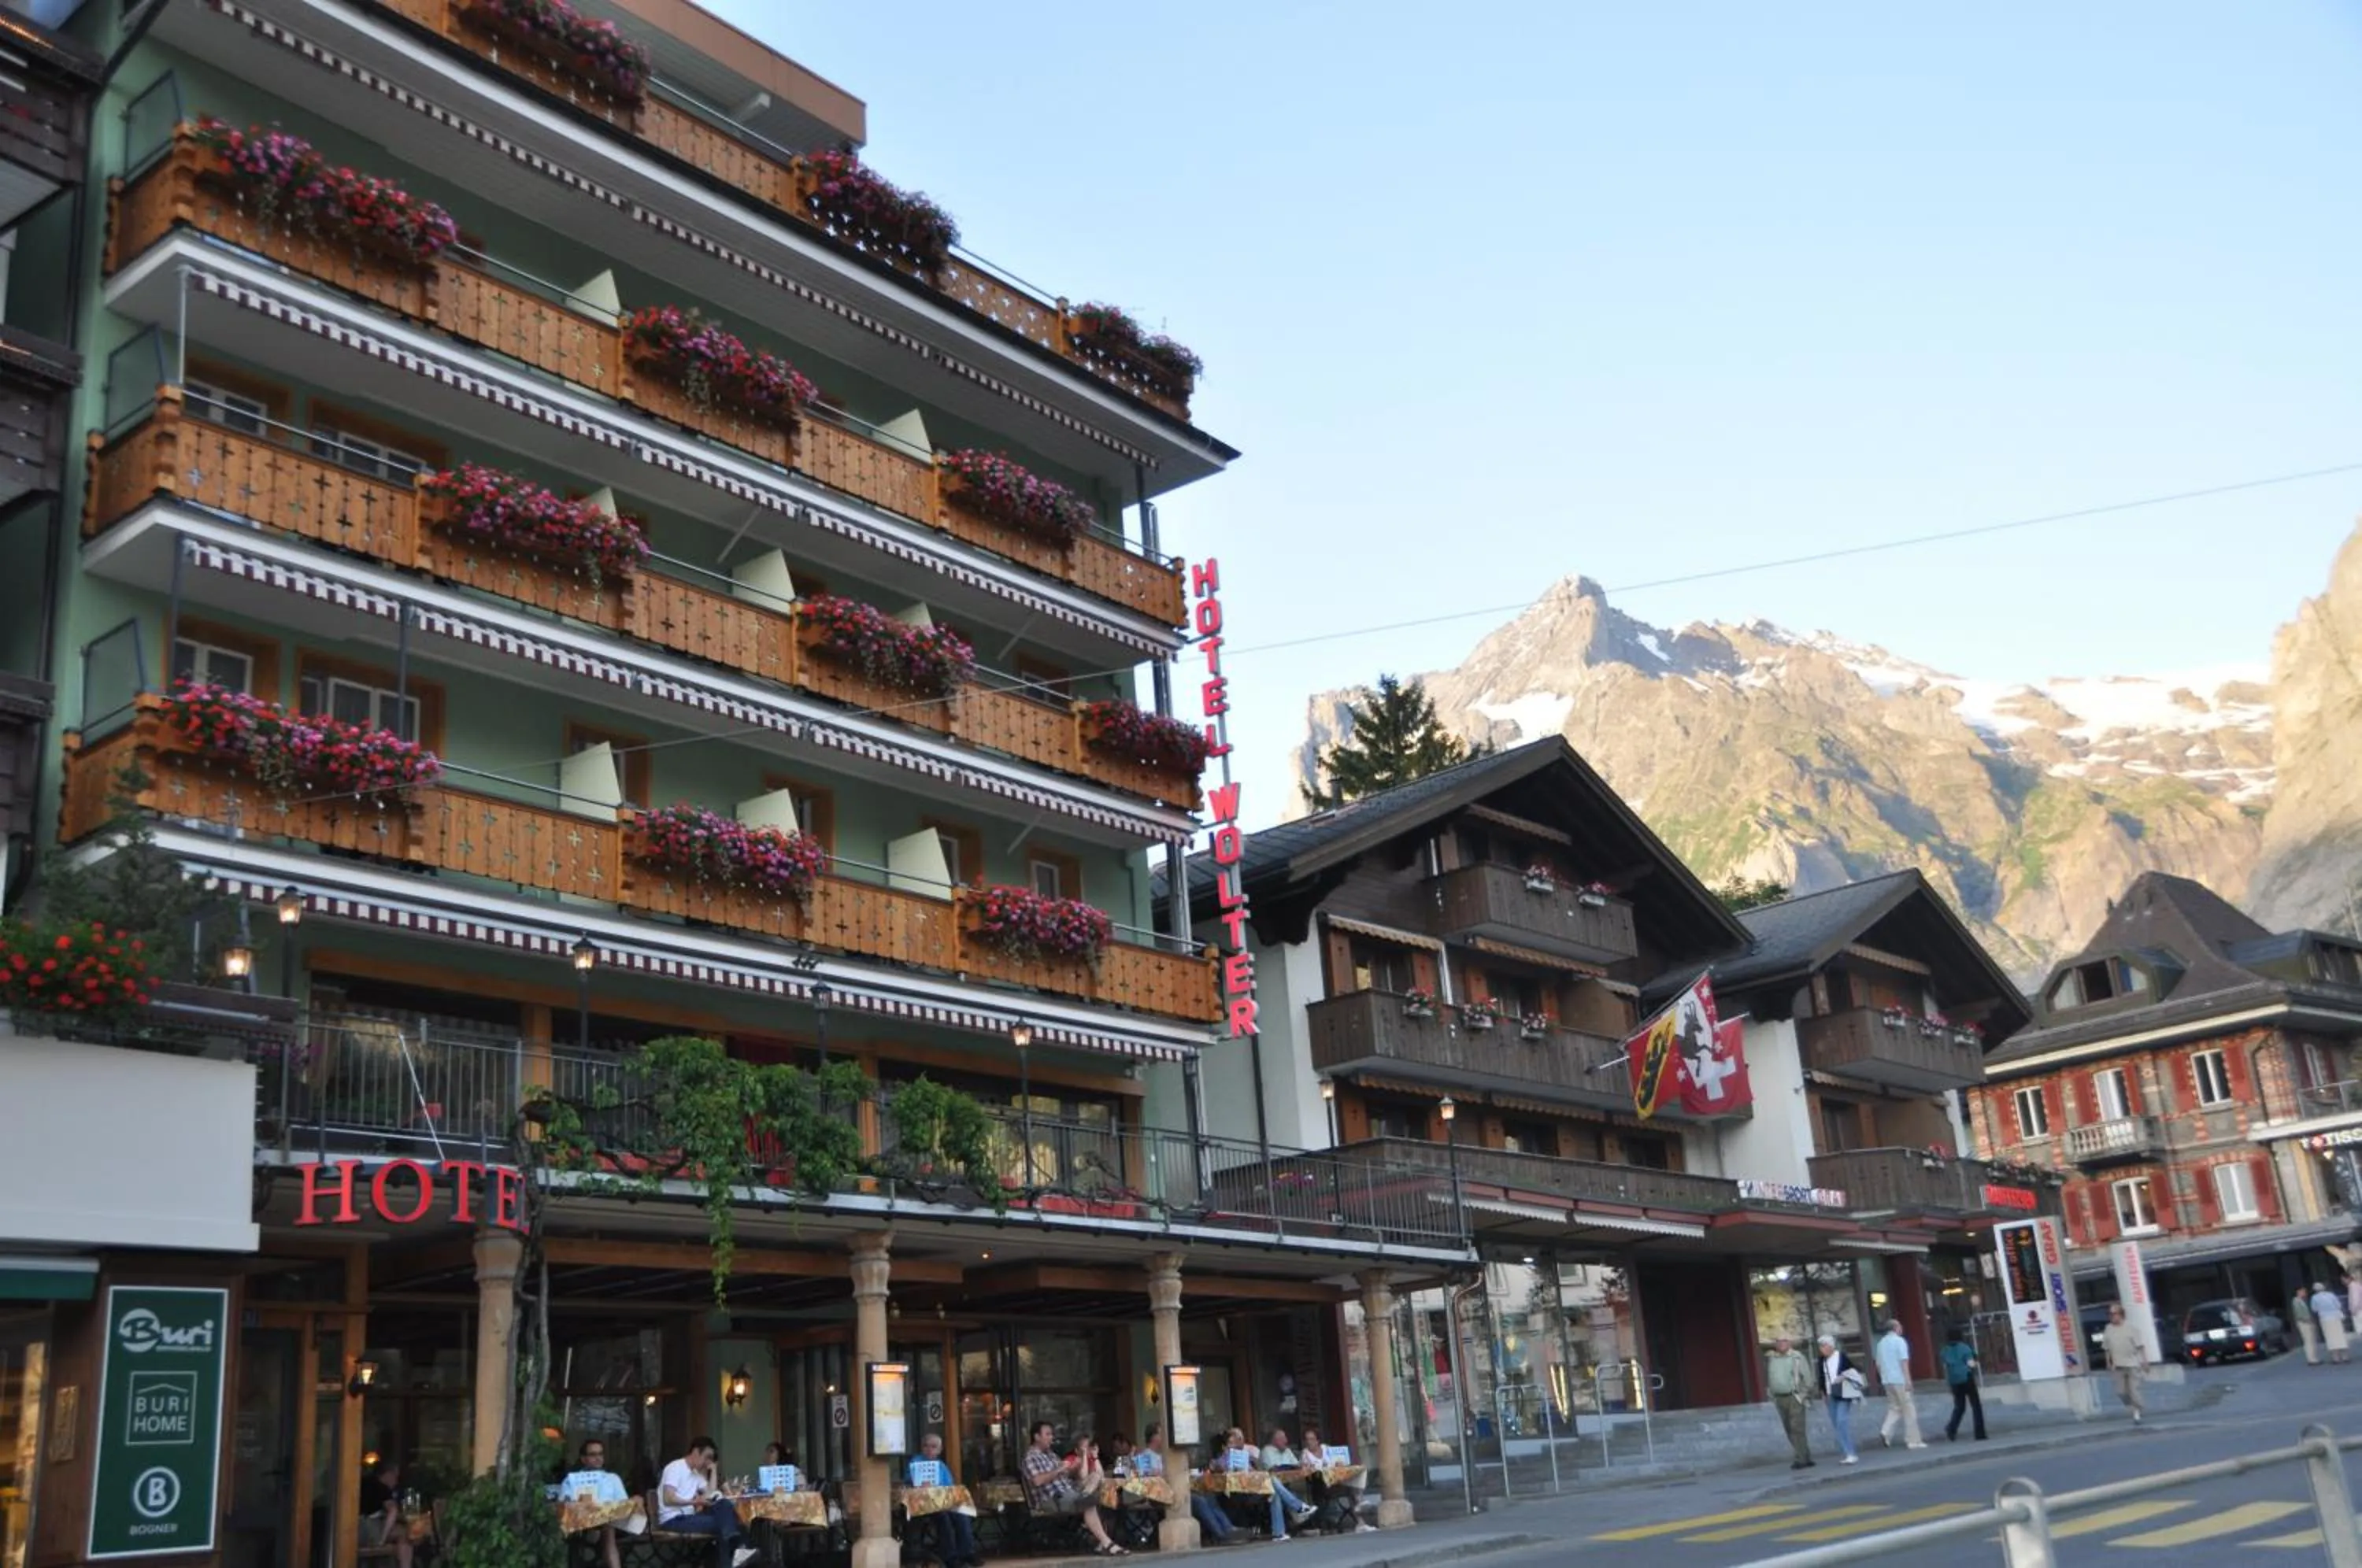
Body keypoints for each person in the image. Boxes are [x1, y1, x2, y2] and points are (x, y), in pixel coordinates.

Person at [1019, 1419, 1123, 1555]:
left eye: (1052, 1434)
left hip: (1069, 1491)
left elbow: (1066, 1474)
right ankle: (1105, 1543)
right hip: (1052, 1498)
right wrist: (1058, 1470)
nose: (1052, 1438)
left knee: (1099, 1486)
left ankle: (1101, 1540)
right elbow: (1037, 1481)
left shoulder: (1051, 1455)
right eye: (1048, 1434)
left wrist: (1075, 1466)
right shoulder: (1030, 1457)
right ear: (1037, 1437)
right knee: (1090, 1502)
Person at [659, 1436, 754, 1567]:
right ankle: (736, 1549)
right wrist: (694, 1503)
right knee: (725, 1523)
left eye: (711, 1459)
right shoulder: (675, 1468)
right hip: (673, 1520)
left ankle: (734, 1544)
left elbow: (712, 1495)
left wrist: (713, 1470)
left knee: (726, 1509)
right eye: (707, 1457)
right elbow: (668, 1499)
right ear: (696, 1452)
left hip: (689, 1518)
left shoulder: (695, 1474)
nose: (708, 1462)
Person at [1140, 1422, 1241, 1546]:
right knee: (1199, 1501)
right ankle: (1220, 1534)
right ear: (1153, 1437)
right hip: (1161, 1495)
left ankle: (1229, 1528)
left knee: (1209, 1496)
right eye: (1162, 1434)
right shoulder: (1145, 1456)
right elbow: (1145, 1478)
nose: (1165, 1438)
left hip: (1178, 1489)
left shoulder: (1165, 1456)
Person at [1221, 1426, 1315, 1539]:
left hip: (1257, 1489)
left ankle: (1279, 1533)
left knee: (1274, 1491)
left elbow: (1254, 1473)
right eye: (1232, 1443)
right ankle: (1299, 1507)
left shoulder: (1246, 1457)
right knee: (1273, 1483)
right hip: (1243, 1493)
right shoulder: (1222, 1460)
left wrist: (1251, 1465)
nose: (1236, 1445)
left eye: (1238, 1441)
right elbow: (1224, 1471)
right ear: (1225, 1446)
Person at [907, 1433, 979, 1568]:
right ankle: (950, 1557)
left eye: (934, 1447)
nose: (929, 1449)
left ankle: (967, 1554)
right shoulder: (915, 1463)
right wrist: (918, 1484)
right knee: (944, 1518)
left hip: (943, 1504)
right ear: (922, 1448)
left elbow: (949, 1486)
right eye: (926, 1446)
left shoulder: (941, 1466)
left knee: (962, 1515)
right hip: (924, 1507)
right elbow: (909, 1483)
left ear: (939, 1450)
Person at [564, 1439, 631, 1568]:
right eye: (593, 1455)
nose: (598, 1458)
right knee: (607, 1528)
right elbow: (566, 1504)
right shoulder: (573, 1479)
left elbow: (624, 1504)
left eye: (600, 1454)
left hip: (615, 1524)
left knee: (609, 1525)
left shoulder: (612, 1478)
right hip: (580, 1524)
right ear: (583, 1459)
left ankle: (597, 1533)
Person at [1297, 1423, 1373, 1533]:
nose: (1310, 1442)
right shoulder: (1305, 1454)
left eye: (1312, 1439)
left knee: (1353, 1487)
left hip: (1337, 1481)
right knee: (1350, 1491)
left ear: (1318, 1440)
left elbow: (1338, 1460)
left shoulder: (1326, 1448)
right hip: (1320, 1485)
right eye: (1307, 1439)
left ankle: (1361, 1521)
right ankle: (1359, 1516)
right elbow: (1306, 1469)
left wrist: (1339, 1463)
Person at [1873, 1319, 1926, 1450]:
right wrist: (1908, 1380)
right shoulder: (1900, 1341)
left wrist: (1883, 1378)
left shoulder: (1881, 1343)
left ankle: (1886, 1431)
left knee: (1894, 1408)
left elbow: (1878, 1364)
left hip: (1887, 1380)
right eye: (1900, 1326)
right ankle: (1913, 1440)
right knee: (1909, 1410)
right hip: (1900, 1379)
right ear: (1896, 1328)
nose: (1901, 1328)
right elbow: (1904, 1362)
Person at [1765, 1335, 1816, 1470]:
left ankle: (1800, 1459)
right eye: (1778, 1341)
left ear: (1789, 1343)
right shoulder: (1772, 1359)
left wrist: (1804, 1394)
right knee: (1789, 1428)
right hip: (1779, 1398)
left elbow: (1808, 1378)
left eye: (1784, 1341)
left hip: (1795, 1397)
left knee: (1796, 1428)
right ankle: (1806, 1456)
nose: (1781, 1344)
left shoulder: (1797, 1357)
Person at [1818, 1334, 1865, 1463]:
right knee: (1836, 1424)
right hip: (1830, 1394)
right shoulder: (1822, 1360)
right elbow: (1821, 1377)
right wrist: (1823, 1394)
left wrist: (1843, 1376)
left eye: (1824, 1346)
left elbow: (1854, 1370)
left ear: (1831, 1346)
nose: (1822, 1349)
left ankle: (1851, 1453)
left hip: (1844, 1394)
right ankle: (1847, 1452)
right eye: (1821, 1346)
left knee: (1841, 1421)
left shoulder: (1841, 1356)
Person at [357, 1461, 413, 1568]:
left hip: (354, 1530)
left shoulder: (363, 1483)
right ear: (388, 1474)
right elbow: (393, 1511)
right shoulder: (382, 1488)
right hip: (369, 1528)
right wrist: (382, 1539)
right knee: (405, 1536)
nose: (396, 1482)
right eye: (396, 1477)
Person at [2099, 1304, 2146, 1423]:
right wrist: (2108, 1362)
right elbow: (2106, 1348)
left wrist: (2145, 1362)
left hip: (2132, 1364)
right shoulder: (2108, 1328)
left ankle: (2137, 1412)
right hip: (2117, 1365)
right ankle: (2135, 1407)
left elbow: (2140, 1346)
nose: (2112, 1317)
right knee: (2121, 1392)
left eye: (2114, 1314)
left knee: (2134, 1390)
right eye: (2110, 1314)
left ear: (2121, 1315)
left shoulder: (2131, 1328)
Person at [1939, 1328, 1986, 1442]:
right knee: (1976, 1406)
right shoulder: (1965, 1348)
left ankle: (1952, 1428)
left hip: (1954, 1381)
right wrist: (1976, 1363)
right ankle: (1979, 1433)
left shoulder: (1944, 1350)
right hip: (1967, 1378)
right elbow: (1971, 1364)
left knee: (1960, 1407)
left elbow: (1945, 1366)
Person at [2312, 1281, 2352, 1365]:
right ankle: (2345, 1356)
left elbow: (2314, 1309)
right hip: (2336, 1317)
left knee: (2330, 1338)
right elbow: (2338, 1305)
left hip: (2325, 1319)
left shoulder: (2314, 1298)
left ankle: (2336, 1358)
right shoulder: (2331, 1295)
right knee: (2340, 1336)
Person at [2294, 1289, 2323, 1366]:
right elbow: (2299, 1314)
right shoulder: (2296, 1301)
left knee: (2312, 1340)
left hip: (2309, 1322)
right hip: (2304, 1323)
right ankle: (2311, 1359)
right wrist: (2308, 1320)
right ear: (2299, 1292)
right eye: (2303, 1292)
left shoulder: (2303, 1301)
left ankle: (2315, 1357)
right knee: (2308, 1340)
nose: (2305, 1293)